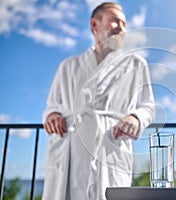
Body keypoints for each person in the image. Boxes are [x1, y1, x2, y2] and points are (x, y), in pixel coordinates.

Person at [42, 2, 155, 200]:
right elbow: (52, 105)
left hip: (110, 143)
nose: (121, 27)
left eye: (124, 23)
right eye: (115, 21)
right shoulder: (68, 66)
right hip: (70, 148)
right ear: (95, 25)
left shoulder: (135, 64)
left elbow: (147, 106)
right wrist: (52, 116)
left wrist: (136, 118)